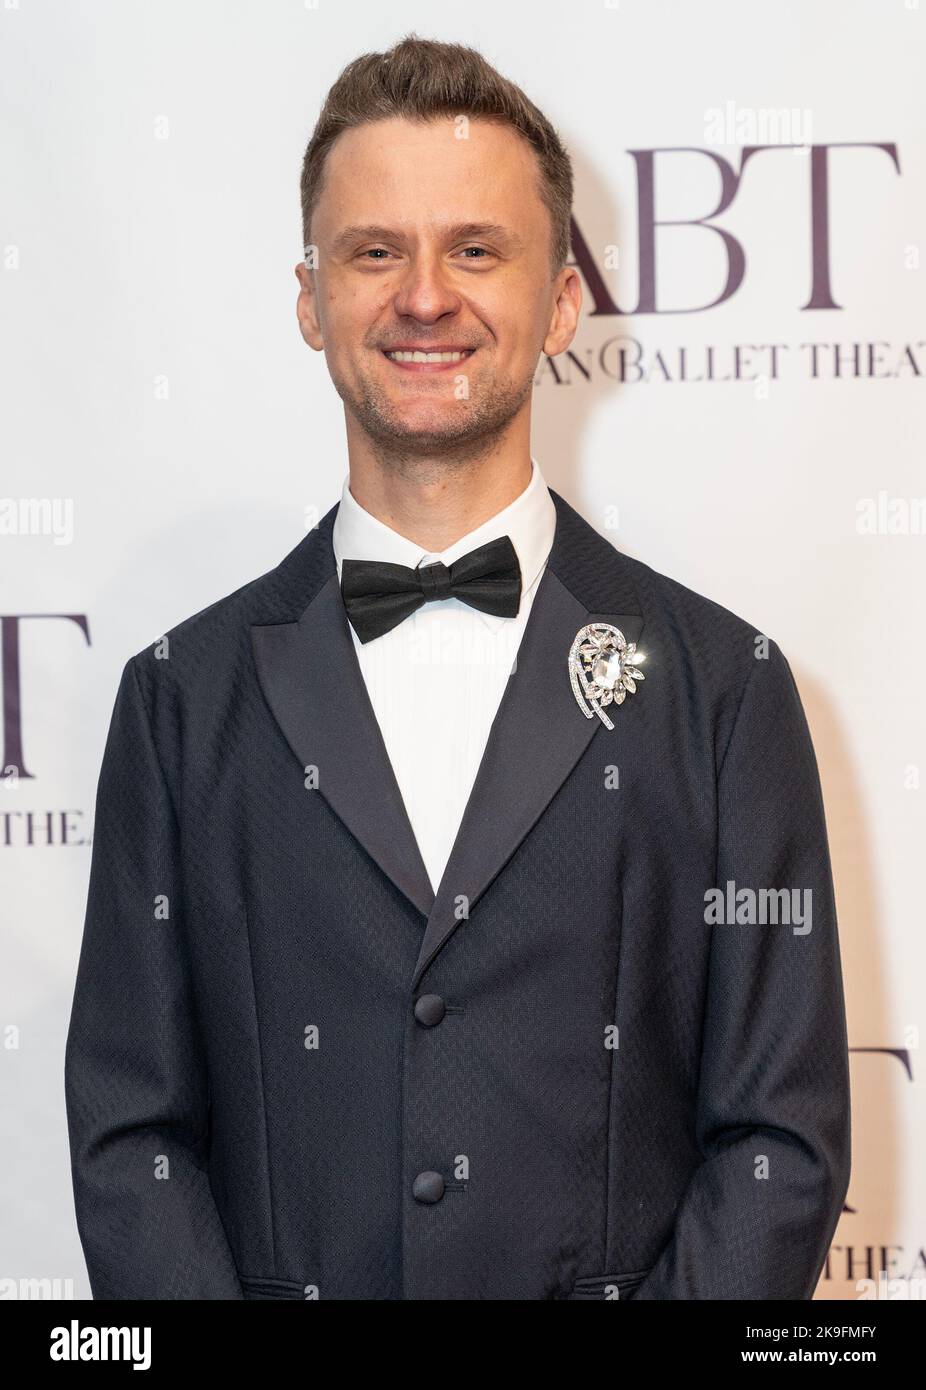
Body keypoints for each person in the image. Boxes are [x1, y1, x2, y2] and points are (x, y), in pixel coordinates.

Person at [64, 34, 851, 1301]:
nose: (424, 296)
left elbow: (779, 1144)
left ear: (561, 300)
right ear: (311, 296)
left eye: (475, 250)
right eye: (375, 251)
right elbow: (128, 1137)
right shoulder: (176, 702)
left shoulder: (723, 690)